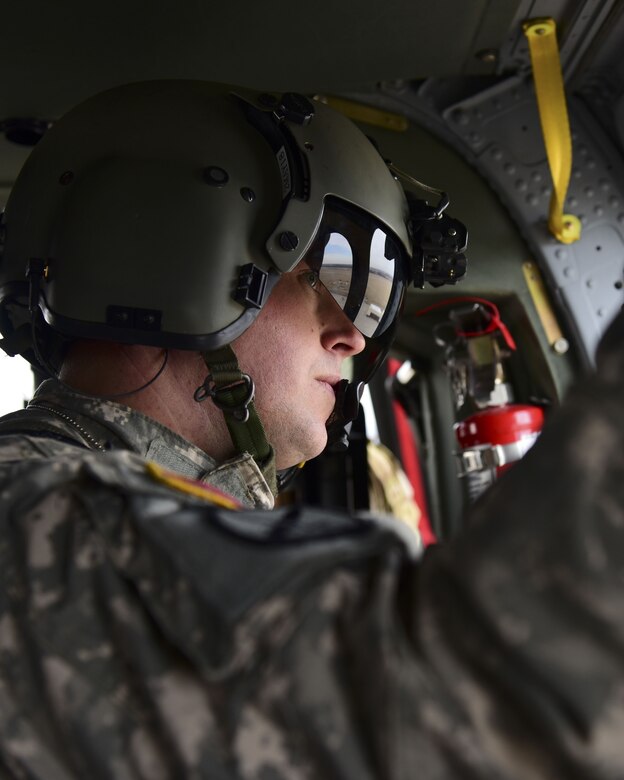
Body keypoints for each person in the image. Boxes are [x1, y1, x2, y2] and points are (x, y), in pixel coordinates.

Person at [0, 80, 622, 779]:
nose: (351, 336)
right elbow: (490, 710)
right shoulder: (33, 517)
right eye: (320, 280)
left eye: (367, 296)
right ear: (175, 260)